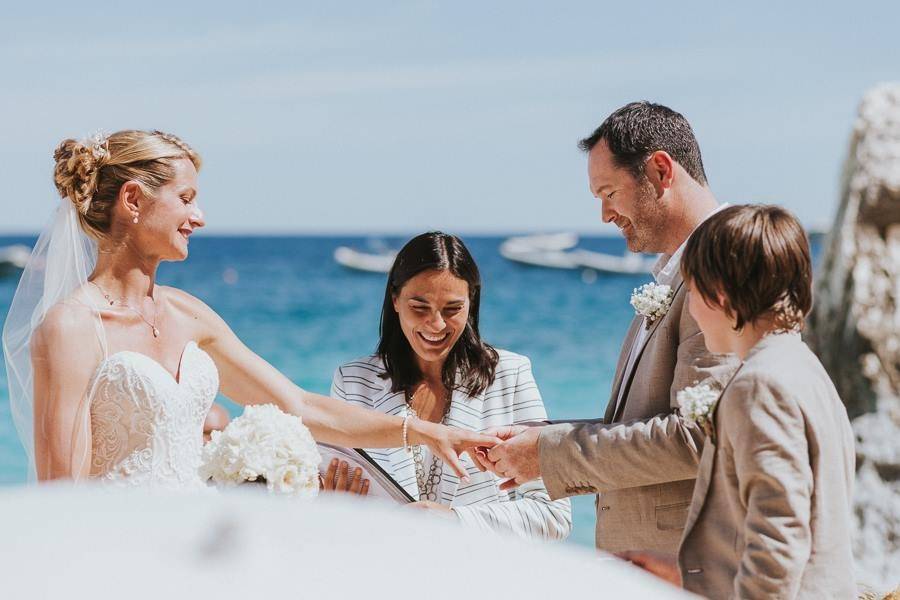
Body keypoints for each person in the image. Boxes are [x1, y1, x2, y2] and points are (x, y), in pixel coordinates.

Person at [2, 130, 497, 486]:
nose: (199, 216)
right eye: (186, 198)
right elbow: (62, 491)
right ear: (133, 200)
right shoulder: (71, 326)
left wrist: (428, 434)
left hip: (199, 550)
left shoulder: (189, 315)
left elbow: (300, 406)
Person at [479, 102, 738, 553]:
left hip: (691, 569)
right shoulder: (678, 272)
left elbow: (698, 435)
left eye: (609, 193)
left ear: (660, 170)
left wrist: (549, 452)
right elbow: (643, 421)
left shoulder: (722, 267)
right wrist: (540, 438)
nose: (604, 215)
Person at [620, 204, 856, 598]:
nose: (691, 308)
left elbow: (777, 543)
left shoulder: (759, 386)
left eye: (692, 292)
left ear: (720, 294)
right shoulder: (805, 368)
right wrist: (688, 577)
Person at [331, 232, 571, 540]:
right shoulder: (352, 382)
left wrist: (454, 520)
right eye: (420, 307)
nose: (437, 324)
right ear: (395, 300)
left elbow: (554, 516)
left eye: (452, 309)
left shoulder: (510, 375)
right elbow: (339, 509)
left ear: (472, 303)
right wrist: (337, 508)